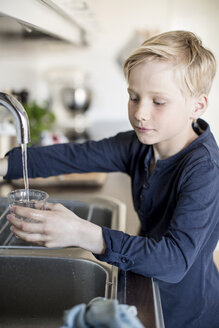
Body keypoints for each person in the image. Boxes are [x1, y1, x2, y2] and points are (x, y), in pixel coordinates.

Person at [1, 30, 219, 328]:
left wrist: (82, 233)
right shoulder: (140, 145)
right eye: (133, 97)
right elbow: (75, 156)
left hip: (187, 313)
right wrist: (3, 165)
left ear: (198, 105)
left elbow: (173, 260)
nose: (140, 113)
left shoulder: (204, 169)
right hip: (148, 282)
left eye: (158, 102)